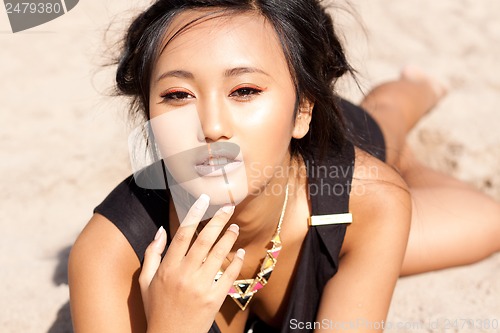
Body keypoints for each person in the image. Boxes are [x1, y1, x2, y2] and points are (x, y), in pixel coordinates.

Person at [68, 1, 500, 332]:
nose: (212, 127)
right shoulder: (109, 257)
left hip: (335, 147)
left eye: (244, 89)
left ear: (302, 110)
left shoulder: (370, 203)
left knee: (479, 213)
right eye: (178, 95)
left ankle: (410, 95)